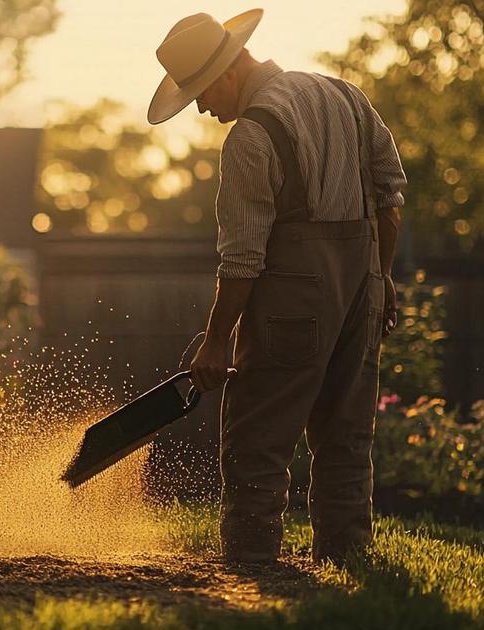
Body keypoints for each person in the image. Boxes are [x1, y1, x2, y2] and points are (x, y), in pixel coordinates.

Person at [147, 9, 407, 563]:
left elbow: (242, 258)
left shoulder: (251, 136)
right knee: (346, 435)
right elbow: (391, 195)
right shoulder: (348, 97)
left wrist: (217, 339)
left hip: (295, 302)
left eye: (199, 91)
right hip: (363, 291)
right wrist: (380, 279)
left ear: (228, 72)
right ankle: (346, 556)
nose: (200, 106)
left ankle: (252, 565)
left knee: (258, 433)